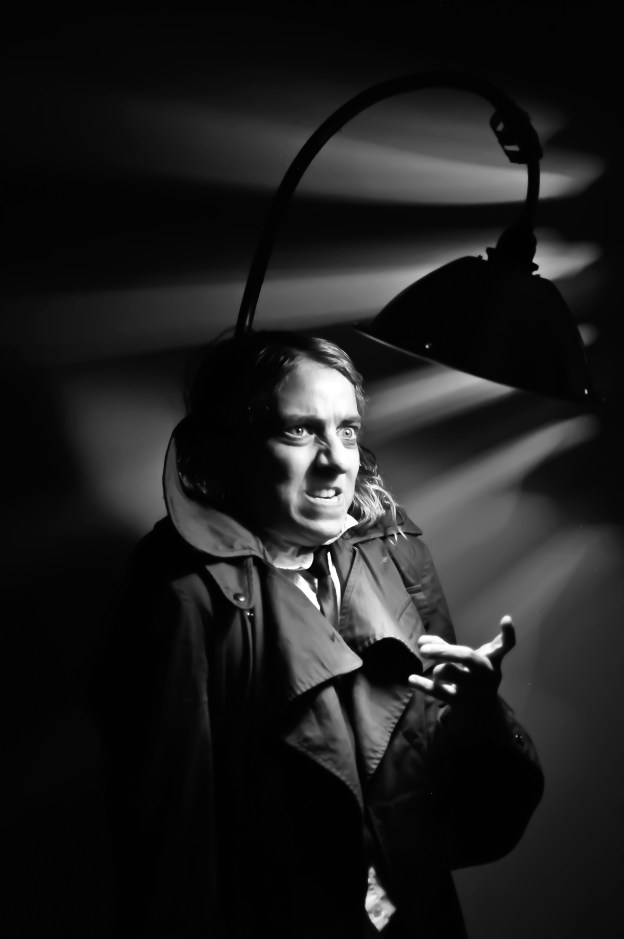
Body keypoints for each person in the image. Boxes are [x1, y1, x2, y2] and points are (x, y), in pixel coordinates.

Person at [90, 329, 544, 939]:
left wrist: (478, 715)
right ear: (231, 447)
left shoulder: (394, 552)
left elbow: (448, 811)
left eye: (347, 430)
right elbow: (174, 849)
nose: (336, 461)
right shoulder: (186, 600)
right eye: (300, 430)